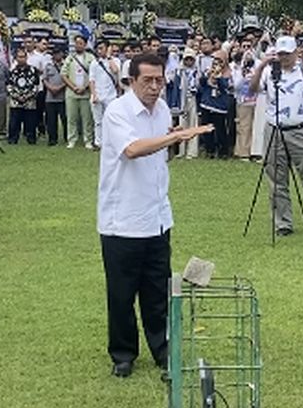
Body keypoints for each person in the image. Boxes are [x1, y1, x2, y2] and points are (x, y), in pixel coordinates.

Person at [97, 51, 211, 378]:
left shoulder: (161, 109)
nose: (154, 86)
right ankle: (123, 354)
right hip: (122, 220)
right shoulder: (118, 112)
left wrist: (171, 137)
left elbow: (160, 154)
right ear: (131, 81)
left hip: (157, 217)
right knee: (121, 294)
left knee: (157, 291)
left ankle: (162, 349)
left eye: (159, 80)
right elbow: (132, 150)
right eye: (147, 80)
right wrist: (176, 136)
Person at [248, 36, 303, 237]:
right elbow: (252, 89)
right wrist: (262, 65)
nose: (284, 58)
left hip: (300, 129)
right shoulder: (270, 73)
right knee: (277, 179)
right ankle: (283, 223)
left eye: (287, 54)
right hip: (274, 128)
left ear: (296, 53)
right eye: (280, 54)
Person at [62, 35, 96, 150]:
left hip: (86, 93)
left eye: (81, 43)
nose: (78, 45)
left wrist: (84, 88)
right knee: (71, 118)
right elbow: (64, 74)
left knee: (87, 119)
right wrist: (73, 87)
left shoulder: (91, 58)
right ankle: (72, 140)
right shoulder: (70, 58)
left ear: (85, 45)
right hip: (71, 93)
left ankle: (88, 140)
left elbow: (94, 75)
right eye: (76, 43)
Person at [196, 53, 232, 158]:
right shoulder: (208, 72)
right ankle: (209, 150)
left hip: (220, 107)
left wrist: (219, 78)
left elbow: (225, 87)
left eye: (220, 62)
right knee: (207, 129)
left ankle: (223, 152)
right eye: (215, 62)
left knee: (221, 131)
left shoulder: (228, 74)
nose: (217, 65)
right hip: (207, 104)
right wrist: (208, 75)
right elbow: (202, 83)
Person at [90, 41, 121, 150]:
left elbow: (116, 70)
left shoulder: (115, 61)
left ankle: (111, 141)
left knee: (111, 119)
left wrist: (108, 57)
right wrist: (94, 94)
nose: (99, 51)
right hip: (98, 94)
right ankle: (98, 142)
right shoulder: (94, 63)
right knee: (98, 121)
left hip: (111, 95)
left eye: (102, 48)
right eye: (98, 49)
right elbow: (92, 80)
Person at [6, 48, 41, 146]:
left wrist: (27, 96)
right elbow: (9, 86)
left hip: (30, 102)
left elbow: (36, 85)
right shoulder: (12, 71)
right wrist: (17, 96)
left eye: (23, 57)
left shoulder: (33, 70)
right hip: (15, 102)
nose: (21, 59)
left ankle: (31, 139)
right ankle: (13, 139)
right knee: (14, 123)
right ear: (16, 58)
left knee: (31, 122)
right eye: (19, 57)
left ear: (26, 57)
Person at [43, 50, 68, 147]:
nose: (57, 55)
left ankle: (67, 138)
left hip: (63, 97)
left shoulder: (66, 65)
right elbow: (44, 79)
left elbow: (69, 78)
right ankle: (52, 139)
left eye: (59, 53)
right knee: (51, 120)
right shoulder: (48, 65)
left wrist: (60, 87)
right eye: (55, 53)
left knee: (65, 119)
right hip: (50, 97)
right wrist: (50, 88)